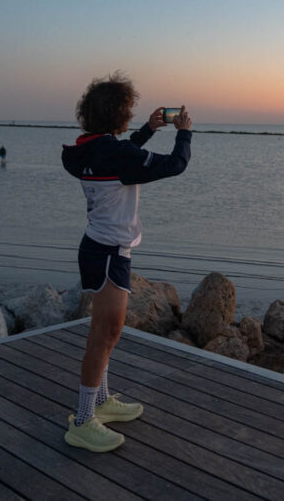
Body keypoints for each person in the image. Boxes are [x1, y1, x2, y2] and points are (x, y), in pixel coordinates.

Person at [60, 71, 192, 452]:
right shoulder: (115, 154)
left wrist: (149, 130)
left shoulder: (88, 149)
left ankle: (101, 402)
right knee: (104, 334)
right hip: (106, 253)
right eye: (130, 110)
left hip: (102, 248)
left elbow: (123, 158)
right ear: (117, 113)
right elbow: (174, 165)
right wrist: (183, 131)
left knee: (108, 332)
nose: (132, 114)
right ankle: (83, 420)